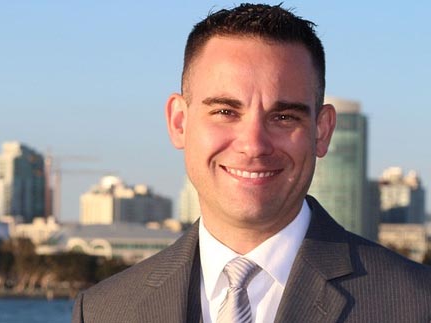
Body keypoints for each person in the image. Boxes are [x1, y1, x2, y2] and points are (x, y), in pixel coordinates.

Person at [72, 3, 431, 323]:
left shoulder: (417, 305)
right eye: (226, 112)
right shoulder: (105, 310)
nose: (253, 145)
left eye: (284, 117)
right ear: (179, 122)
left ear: (322, 131)